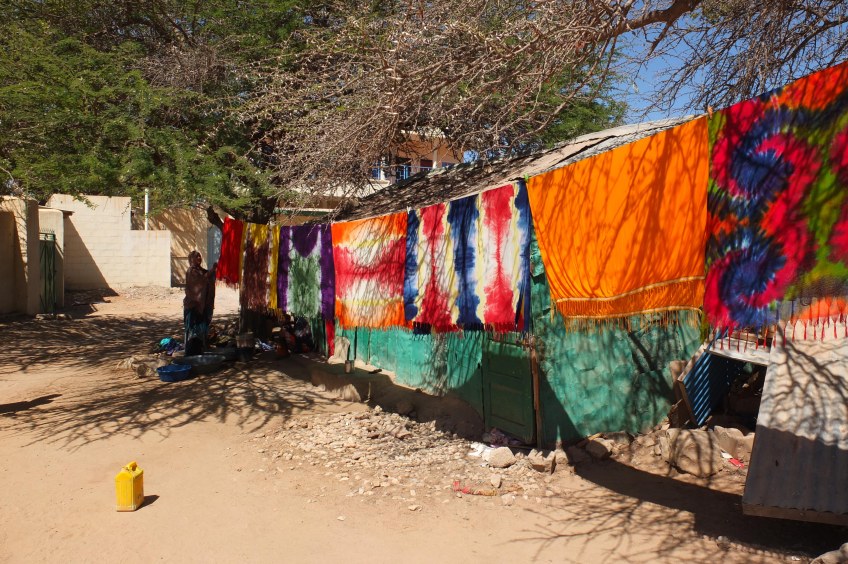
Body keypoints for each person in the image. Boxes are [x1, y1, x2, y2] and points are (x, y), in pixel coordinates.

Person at [184, 250, 217, 356]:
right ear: (191, 259)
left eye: (200, 256)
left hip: (202, 306)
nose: (199, 258)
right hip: (193, 306)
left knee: (202, 329)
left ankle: (200, 349)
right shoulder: (191, 271)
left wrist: (214, 271)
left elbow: (208, 278)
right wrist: (212, 271)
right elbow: (200, 281)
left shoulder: (202, 270)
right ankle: (191, 352)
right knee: (192, 330)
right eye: (196, 256)